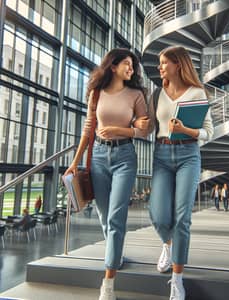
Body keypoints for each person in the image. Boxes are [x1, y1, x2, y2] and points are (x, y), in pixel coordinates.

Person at [64, 48, 148, 300]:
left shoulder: (136, 94)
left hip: (125, 158)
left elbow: (144, 130)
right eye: (126, 64)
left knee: (115, 217)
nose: (131, 69)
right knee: (104, 216)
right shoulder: (96, 93)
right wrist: (75, 162)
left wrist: (120, 130)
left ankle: (108, 282)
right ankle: (116, 254)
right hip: (98, 157)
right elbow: (88, 130)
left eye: (133, 66)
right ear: (113, 66)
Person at [141, 46, 214, 300]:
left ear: (178, 65)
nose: (160, 67)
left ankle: (177, 279)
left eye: (163, 63)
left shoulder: (197, 92)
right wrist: (139, 125)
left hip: (189, 155)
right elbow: (150, 127)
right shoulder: (157, 94)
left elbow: (208, 131)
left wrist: (187, 130)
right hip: (161, 155)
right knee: (159, 215)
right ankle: (167, 245)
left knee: (182, 218)